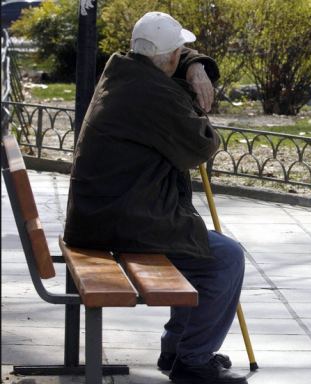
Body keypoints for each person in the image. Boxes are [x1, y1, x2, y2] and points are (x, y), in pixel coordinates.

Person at [63, 11, 247, 384]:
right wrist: (194, 91)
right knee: (225, 259)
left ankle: (178, 347)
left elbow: (167, 67)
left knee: (200, 248)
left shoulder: (124, 72)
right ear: (171, 58)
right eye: (182, 53)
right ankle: (192, 360)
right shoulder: (153, 95)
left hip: (105, 213)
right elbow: (201, 145)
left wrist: (195, 66)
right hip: (122, 220)